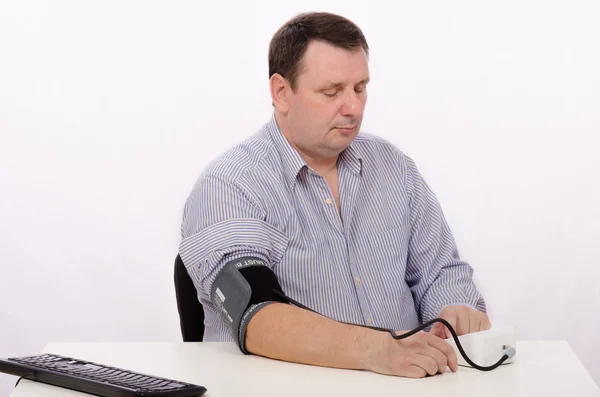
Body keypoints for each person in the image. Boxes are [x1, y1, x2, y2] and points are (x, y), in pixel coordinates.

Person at [179, 11, 490, 378]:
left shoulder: (395, 169)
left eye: (360, 88)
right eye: (332, 92)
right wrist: (380, 350)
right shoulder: (229, 185)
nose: (354, 107)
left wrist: (454, 310)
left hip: (407, 384)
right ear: (281, 92)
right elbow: (253, 312)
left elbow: (441, 273)